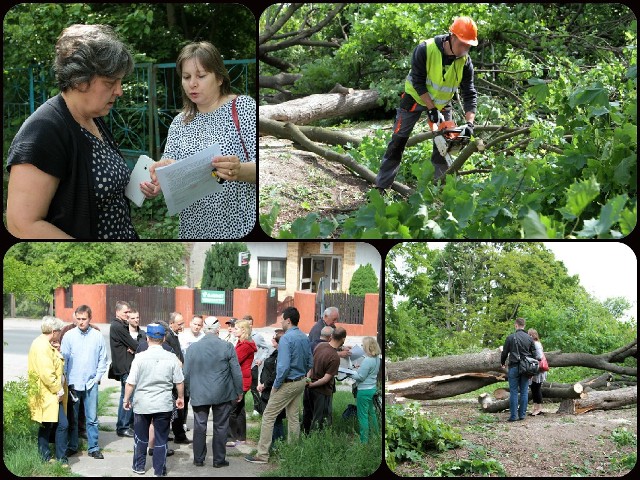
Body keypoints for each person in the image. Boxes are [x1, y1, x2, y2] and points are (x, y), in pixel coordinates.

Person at [5, 24, 153, 239]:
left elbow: (100, 186)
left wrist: (147, 177)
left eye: (120, 82)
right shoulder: (44, 132)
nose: (119, 91)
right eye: (110, 82)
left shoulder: (91, 117)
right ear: (79, 79)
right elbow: (22, 224)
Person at [148, 41, 256, 239]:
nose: (192, 84)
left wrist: (238, 170)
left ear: (220, 78)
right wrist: (158, 180)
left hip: (238, 226)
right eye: (186, 77)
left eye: (201, 76)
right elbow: (167, 171)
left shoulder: (243, 108)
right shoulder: (179, 122)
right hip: (193, 229)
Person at [375, 16, 478, 187]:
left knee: (444, 145)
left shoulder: (465, 61)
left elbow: (469, 93)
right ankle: (381, 187)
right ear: (452, 37)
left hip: (442, 104)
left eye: (468, 45)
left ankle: (442, 188)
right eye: (462, 44)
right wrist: (431, 109)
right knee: (398, 141)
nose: (465, 49)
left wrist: (469, 123)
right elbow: (418, 81)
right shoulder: (425, 49)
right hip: (415, 98)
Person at [245, 307, 313, 464]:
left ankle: (262, 455)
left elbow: (282, 368)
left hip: (287, 382)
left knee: (268, 415)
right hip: (301, 381)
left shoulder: (286, 339)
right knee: (293, 417)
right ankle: (293, 454)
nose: (281, 322)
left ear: (288, 320)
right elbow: (310, 362)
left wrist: (275, 386)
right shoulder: (304, 337)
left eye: (282, 319)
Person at [124, 323, 185, 477]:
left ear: (147, 338)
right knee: (161, 438)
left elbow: (131, 382)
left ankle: (139, 466)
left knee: (141, 437)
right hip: (163, 404)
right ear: (164, 338)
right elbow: (179, 381)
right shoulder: (171, 357)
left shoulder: (139, 357)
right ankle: (159, 470)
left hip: (142, 403)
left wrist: (126, 399)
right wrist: (180, 397)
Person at [184, 316, 244, 468]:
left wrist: (188, 391)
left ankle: (198, 459)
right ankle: (218, 460)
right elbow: (236, 371)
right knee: (221, 426)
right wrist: (239, 390)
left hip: (199, 394)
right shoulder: (227, 346)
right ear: (218, 330)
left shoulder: (192, 348)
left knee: (200, 426)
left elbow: (186, 373)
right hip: (222, 393)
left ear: (204, 329)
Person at [60, 305, 108, 458]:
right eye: (78, 319)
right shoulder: (69, 336)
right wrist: (65, 379)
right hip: (73, 383)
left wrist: (97, 378)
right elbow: (64, 359)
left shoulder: (97, 336)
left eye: (84, 319)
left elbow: (103, 359)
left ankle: (93, 448)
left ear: (89, 318)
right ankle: (73, 446)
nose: (81, 322)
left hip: (90, 384)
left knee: (92, 418)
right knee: (72, 418)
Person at [28, 316, 69, 467]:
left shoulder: (42, 343)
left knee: (47, 425)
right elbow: (47, 373)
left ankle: (45, 456)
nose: (60, 334)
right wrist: (58, 390)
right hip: (49, 394)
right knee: (62, 425)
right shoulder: (43, 347)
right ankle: (61, 459)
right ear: (53, 331)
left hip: (46, 394)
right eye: (59, 331)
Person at [303, 327, 345, 434]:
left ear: (331, 336)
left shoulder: (320, 346)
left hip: (310, 387)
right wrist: (312, 385)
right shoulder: (335, 357)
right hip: (322, 391)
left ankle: (306, 435)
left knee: (309, 414)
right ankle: (316, 443)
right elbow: (326, 379)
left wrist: (308, 380)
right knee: (320, 420)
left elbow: (311, 366)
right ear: (343, 339)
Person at [109, 300, 138, 438]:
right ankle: (123, 426)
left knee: (126, 395)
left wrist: (133, 347)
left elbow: (133, 345)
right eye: (125, 312)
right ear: (118, 312)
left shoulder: (121, 325)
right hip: (124, 367)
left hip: (126, 365)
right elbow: (134, 344)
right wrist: (133, 346)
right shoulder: (117, 326)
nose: (128, 314)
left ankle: (126, 424)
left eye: (128, 312)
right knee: (127, 396)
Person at [227, 320, 257, 448]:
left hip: (241, 381)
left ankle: (231, 438)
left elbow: (234, 360)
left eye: (236, 328)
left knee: (232, 410)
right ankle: (241, 437)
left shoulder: (245, 345)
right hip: (242, 379)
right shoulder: (242, 343)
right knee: (239, 409)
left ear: (244, 330)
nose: (233, 330)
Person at [500, 317, 537, 421]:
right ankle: (522, 415)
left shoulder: (510, 337)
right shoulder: (529, 338)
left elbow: (504, 353)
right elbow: (534, 354)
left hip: (514, 367)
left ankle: (513, 416)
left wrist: (502, 363)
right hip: (526, 368)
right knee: (524, 391)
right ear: (524, 325)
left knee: (514, 391)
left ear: (516, 325)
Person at [164, 312, 190, 444]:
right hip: (174, 379)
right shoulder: (168, 336)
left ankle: (176, 433)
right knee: (178, 407)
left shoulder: (174, 335)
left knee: (177, 408)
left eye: (183, 323)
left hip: (178, 376)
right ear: (171, 324)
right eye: (179, 324)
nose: (182, 326)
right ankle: (179, 435)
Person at [257, 329, 286, 447]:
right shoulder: (276, 352)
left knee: (272, 417)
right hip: (268, 388)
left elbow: (275, 373)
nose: (272, 339)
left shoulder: (281, 354)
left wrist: (264, 385)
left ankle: (273, 444)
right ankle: (278, 443)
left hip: (271, 389)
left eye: (274, 337)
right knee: (276, 418)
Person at [350, 337, 381, 443]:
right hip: (372, 388)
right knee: (371, 413)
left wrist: (350, 373)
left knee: (362, 416)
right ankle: (376, 436)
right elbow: (369, 372)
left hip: (364, 390)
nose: (362, 347)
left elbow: (361, 377)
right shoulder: (376, 358)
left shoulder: (368, 360)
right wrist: (360, 368)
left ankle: (364, 441)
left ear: (368, 347)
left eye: (363, 345)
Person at [243, 315, 270, 417]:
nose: (249, 326)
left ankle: (257, 408)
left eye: (250, 324)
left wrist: (261, 359)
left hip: (253, 365)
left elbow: (266, 348)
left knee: (253, 387)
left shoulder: (257, 336)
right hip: (242, 366)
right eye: (247, 324)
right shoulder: (240, 335)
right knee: (241, 388)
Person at [527, 329, 547, 416]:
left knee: (536, 388)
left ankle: (539, 408)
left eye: (529, 335)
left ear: (532, 335)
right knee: (533, 388)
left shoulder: (536, 344)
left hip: (538, 369)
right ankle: (535, 407)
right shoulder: (534, 343)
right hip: (534, 368)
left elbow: (539, 356)